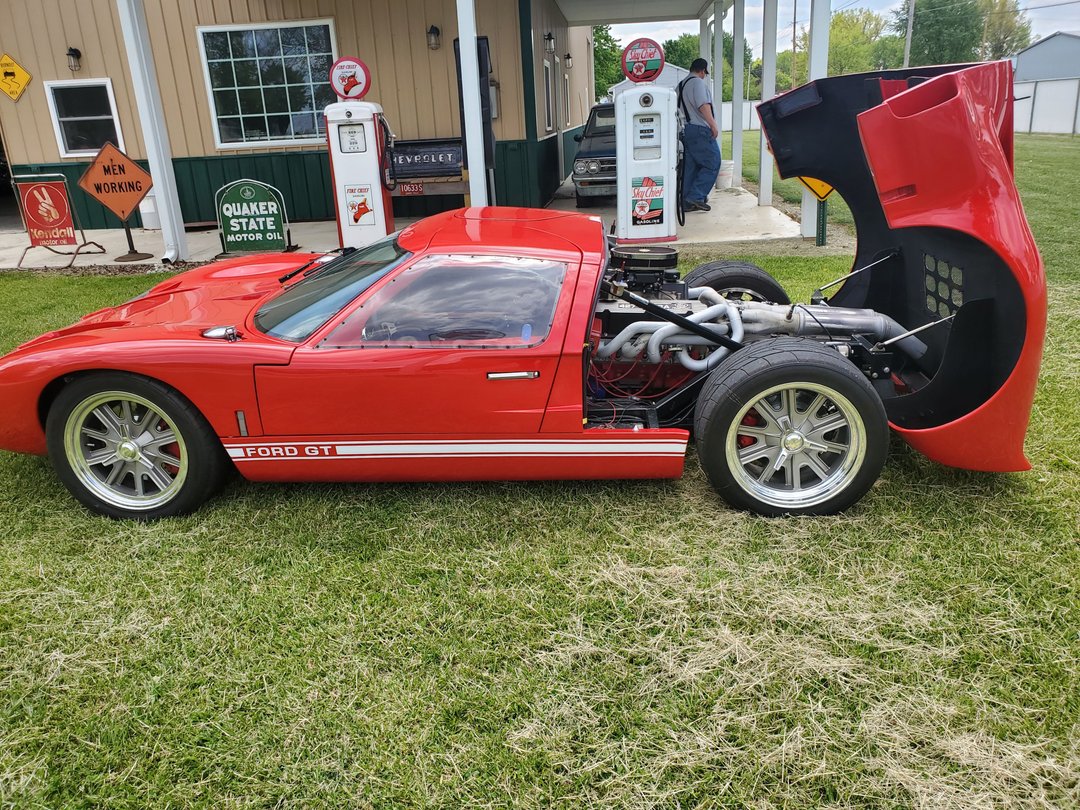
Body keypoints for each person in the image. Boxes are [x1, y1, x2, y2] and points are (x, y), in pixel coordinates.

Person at [679, 58, 721, 212]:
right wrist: (713, 124)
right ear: (702, 70)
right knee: (713, 162)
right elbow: (703, 105)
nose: (704, 76)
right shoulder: (697, 83)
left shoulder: (680, 85)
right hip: (699, 130)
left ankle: (685, 201)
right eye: (704, 73)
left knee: (691, 167)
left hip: (685, 130)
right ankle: (696, 196)